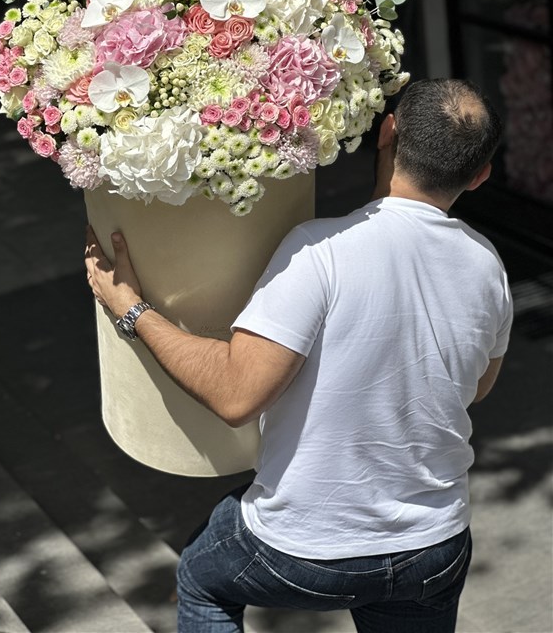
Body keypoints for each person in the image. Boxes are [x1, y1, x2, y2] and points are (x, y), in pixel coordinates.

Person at [85, 77, 513, 633]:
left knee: (200, 580)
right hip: (434, 547)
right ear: (479, 176)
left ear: (387, 131)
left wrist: (131, 308)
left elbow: (237, 395)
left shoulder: (320, 251)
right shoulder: (488, 266)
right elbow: (476, 386)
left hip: (309, 545)